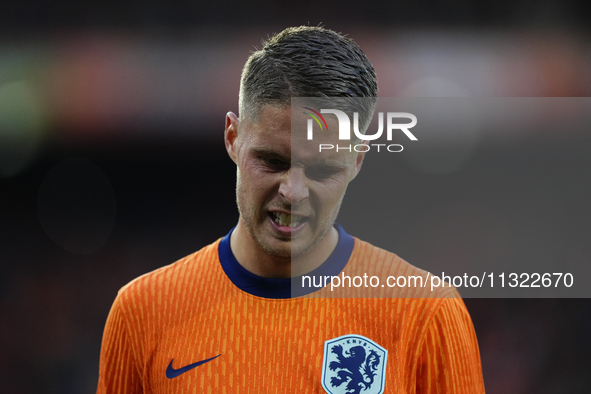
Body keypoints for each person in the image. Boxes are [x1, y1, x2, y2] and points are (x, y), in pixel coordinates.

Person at [97, 26, 485, 393]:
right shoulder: (142, 312)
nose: (293, 191)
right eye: (271, 161)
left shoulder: (427, 312)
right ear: (233, 138)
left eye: (322, 169)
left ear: (357, 161)